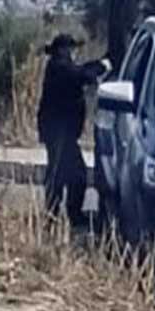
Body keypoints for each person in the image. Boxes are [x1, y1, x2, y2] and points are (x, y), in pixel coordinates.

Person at [36, 32, 110, 228]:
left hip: (60, 132)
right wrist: (103, 66)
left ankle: (59, 216)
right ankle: (69, 216)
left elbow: (81, 70)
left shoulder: (59, 66)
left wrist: (98, 64)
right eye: (72, 49)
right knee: (73, 175)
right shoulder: (59, 67)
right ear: (64, 50)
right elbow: (81, 75)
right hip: (59, 132)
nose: (75, 53)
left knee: (61, 174)